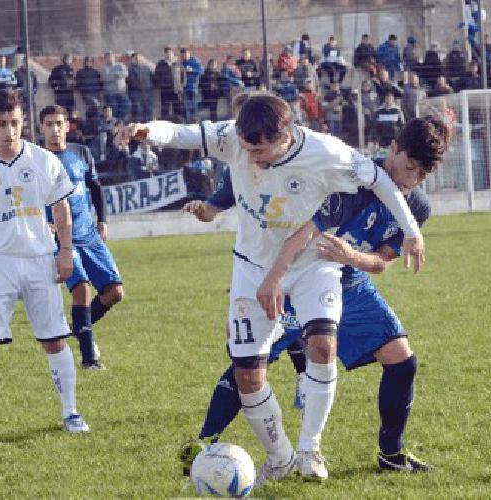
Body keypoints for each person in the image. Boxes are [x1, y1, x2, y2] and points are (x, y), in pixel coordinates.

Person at [117, 92, 427, 484]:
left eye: (261, 150)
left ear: (286, 135)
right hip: (251, 267)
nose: (252, 158)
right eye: (246, 148)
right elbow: (183, 132)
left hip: (314, 262)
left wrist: (412, 231)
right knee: (248, 375)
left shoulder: (325, 151)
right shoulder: (233, 137)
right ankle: (280, 457)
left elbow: (381, 180)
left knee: (322, 344)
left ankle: (310, 448)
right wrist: (149, 132)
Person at [177, 116, 450, 475]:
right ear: (394, 149)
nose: (411, 180)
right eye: (409, 167)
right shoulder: (351, 176)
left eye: (421, 176)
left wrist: (351, 257)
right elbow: (264, 190)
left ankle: (390, 454)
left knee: (402, 360)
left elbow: (382, 262)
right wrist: (264, 272)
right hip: (299, 275)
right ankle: (206, 441)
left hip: (349, 282)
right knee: (250, 364)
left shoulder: (417, 207)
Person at [0, 89, 87, 442]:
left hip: (40, 259)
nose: (9, 131)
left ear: (23, 122)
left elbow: (61, 209)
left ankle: (71, 411)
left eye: (15, 123)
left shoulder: (44, 161)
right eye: (2, 124)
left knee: (55, 340)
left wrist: (65, 250)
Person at [36, 104, 125, 370]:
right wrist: (43, 224)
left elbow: (95, 187)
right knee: (82, 290)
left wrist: (102, 221)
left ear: (67, 126)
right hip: (62, 238)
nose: (55, 130)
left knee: (115, 292)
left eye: (59, 124)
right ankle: (90, 360)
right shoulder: (35, 160)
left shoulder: (80, 152)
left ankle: (78, 327)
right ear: (41, 128)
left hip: (89, 234)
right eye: (49, 124)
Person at [101, 51, 130, 123]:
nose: (109, 58)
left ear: (113, 57)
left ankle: (118, 121)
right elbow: (105, 78)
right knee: (114, 109)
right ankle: (115, 124)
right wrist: (115, 76)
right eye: (107, 57)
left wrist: (116, 74)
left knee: (127, 105)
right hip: (110, 93)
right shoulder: (104, 68)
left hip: (122, 92)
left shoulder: (120, 65)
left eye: (111, 56)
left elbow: (126, 73)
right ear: (105, 59)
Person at [181, 48, 203, 123]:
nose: (184, 56)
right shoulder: (181, 63)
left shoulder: (195, 61)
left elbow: (201, 71)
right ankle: (188, 122)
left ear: (189, 54)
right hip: (184, 88)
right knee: (186, 106)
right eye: (183, 55)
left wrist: (192, 70)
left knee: (194, 106)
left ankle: (195, 122)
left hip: (193, 87)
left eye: (186, 54)